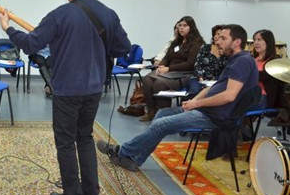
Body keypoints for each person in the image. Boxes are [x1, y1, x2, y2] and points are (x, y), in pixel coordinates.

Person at [0, 0, 131, 195]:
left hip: (67, 89)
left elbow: (30, 45)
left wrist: (7, 27)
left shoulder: (59, 14)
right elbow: (123, 47)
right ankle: (92, 193)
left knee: (66, 142)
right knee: (86, 137)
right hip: (94, 88)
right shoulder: (108, 13)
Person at [97, 24, 259, 172]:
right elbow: (214, 87)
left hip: (216, 116)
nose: (218, 41)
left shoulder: (242, 63)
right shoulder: (237, 60)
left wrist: (198, 103)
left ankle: (123, 152)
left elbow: (229, 96)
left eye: (224, 38)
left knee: (161, 124)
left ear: (237, 42)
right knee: (161, 115)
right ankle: (134, 159)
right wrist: (195, 102)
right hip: (207, 109)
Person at [140, 17, 204, 121]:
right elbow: (167, 57)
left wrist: (169, 69)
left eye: (185, 26)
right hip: (170, 71)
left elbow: (190, 64)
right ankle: (152, 111)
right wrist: (162, 65)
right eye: (180, 26)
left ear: (191, 27)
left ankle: (165, 115)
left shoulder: (197, 43)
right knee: (147, 80)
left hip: (185, 73)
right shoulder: (176, 42)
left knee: (159, 84)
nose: (181, 28)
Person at [187, 24, 228, 96]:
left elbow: (226, 70)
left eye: (219, 34)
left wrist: (215, 80)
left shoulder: (227, 51)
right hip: (199, 78)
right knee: (195, 91)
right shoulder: (205, 47)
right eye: (215, 34)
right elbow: (198, 64)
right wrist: (201, 79)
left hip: (217, 81)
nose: (216, 36)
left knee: (212, 93)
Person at [251, 29, 284, 110]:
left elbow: (263, 75)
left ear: (268, 42)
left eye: (259, 39)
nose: (256, 43)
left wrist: (246, 73)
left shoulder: (275, 61)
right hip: (248, 93)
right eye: (254, 40)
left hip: (263, 96)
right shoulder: (252, 59)